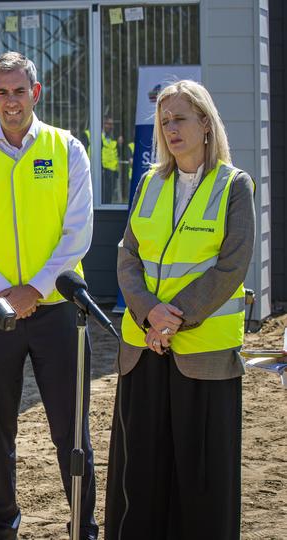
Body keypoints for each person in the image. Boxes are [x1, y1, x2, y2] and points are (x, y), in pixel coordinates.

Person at [0, 51, 97, 540]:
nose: (11, 101)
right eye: (2, 92)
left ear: (37, 93)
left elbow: (78, 232)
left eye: (20, 91)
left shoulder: (67, 148)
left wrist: (35, 288)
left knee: (72, 433)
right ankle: (1, 526)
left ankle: (85, 526)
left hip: (58, 314)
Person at [105, 80, 254, 539]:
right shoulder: (150, 182)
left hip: (204, 357)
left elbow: (232, 265)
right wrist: (149, 312)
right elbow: (128, 256)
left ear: (206, 124)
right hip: (142, 347)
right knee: (142, 477)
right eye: (164, 121)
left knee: (202, 482)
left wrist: (176, 316)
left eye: (180, 118)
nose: (170, 128)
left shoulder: (234, 184)